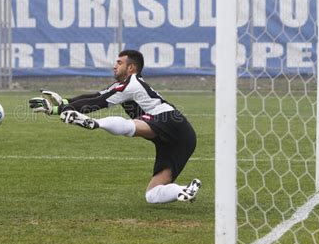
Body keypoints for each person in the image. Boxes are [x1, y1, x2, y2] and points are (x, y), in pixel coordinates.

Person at [29, 50, 201, 204]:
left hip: (170, 119)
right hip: (182, 140)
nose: (114, 66)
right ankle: (184, 190)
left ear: (132, 67)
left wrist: (61, 109)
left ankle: (94, 123)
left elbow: (98, 103)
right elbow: (95, 96)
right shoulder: (122, 86)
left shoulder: (131, 85)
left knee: (130, 127)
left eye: (119, 63)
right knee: (152, 195)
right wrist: (62, 104)